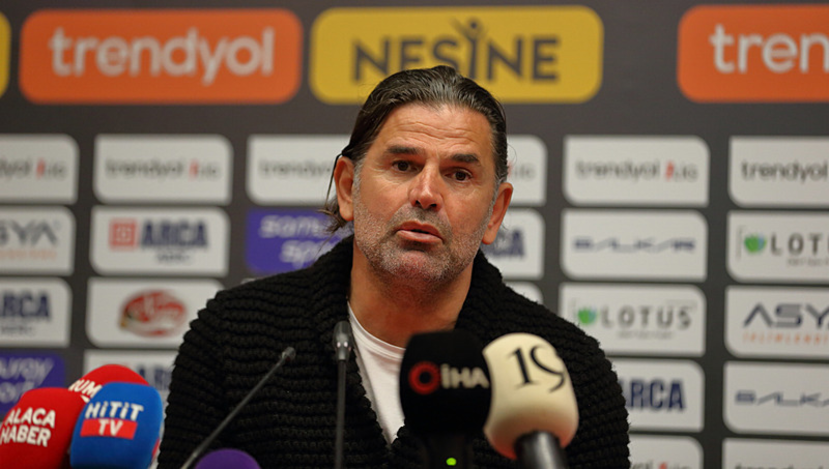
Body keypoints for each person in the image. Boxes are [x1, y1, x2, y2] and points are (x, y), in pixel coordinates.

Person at [158, 65, 629, 469]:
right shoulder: (233, 337)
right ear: (348, 188)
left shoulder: (570, 372)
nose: (426, 194)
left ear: (495, 213)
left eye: (459, 174)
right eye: (403, 165)